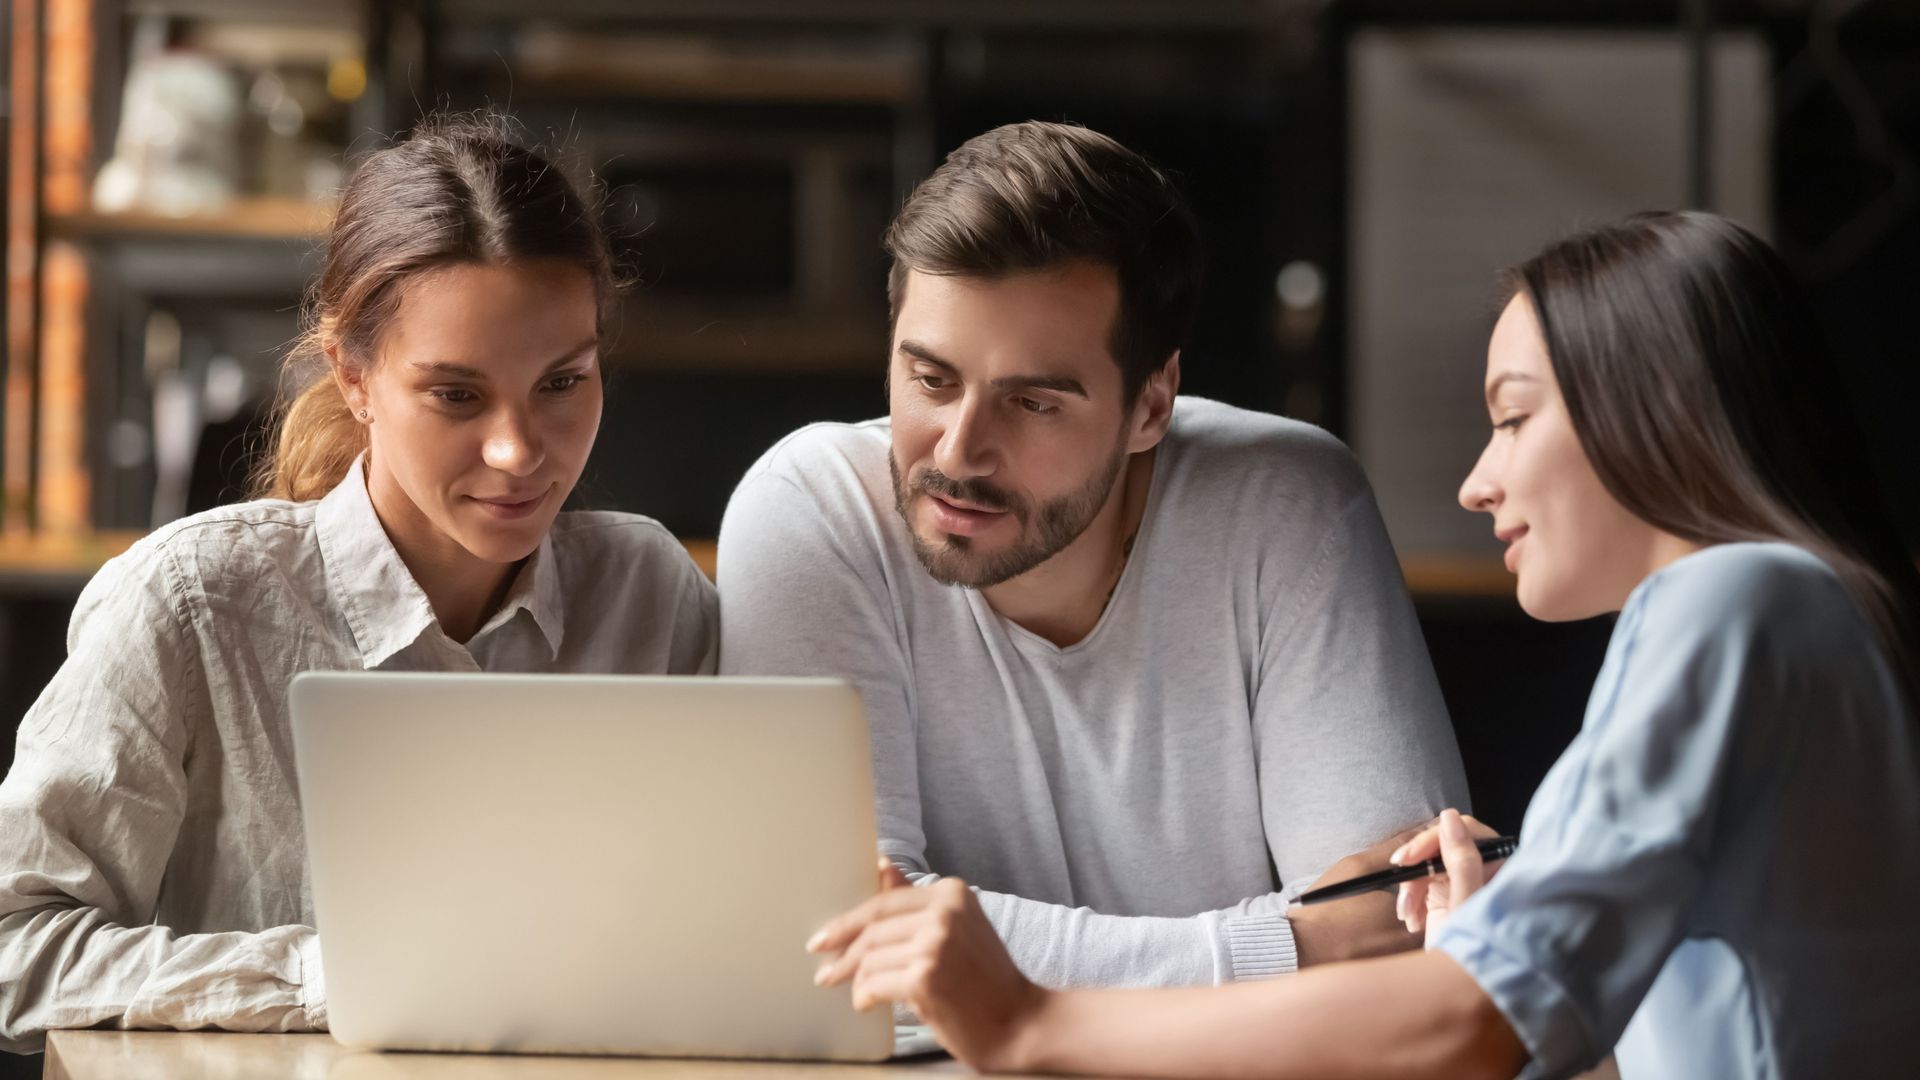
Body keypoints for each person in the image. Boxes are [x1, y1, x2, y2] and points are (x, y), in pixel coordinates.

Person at [808, 210, 1920, 1080]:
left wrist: (1030, 1021)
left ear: (1658, 402)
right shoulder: (1809, 617)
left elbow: (1470, 1033)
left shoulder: (1733, 601)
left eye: (1515, 415)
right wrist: (1485, 954)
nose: (1478, 481)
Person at [0, 114, 717, 1051]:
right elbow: (17, 952)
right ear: (353, 375)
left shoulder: (650, 593)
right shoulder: (189, 606)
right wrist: (331, 973)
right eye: (456, 395)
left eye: (562, 383)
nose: (517, 451)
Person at [720, 120, 1469, 989]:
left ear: (1152, 406)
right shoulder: (813, 509)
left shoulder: (1287, 503)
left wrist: (962, 953)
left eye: (1033, 403)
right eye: (931, 380)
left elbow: (1403, 935)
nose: (959, 453)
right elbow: (836, 950)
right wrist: (1288, 944)